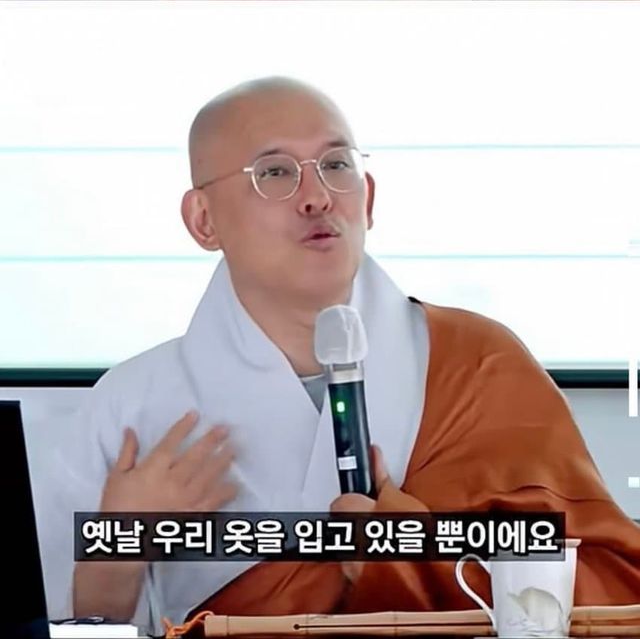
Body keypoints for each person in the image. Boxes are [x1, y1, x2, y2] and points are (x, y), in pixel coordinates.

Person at [38, 76, 640, 638]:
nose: (317, 197)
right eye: (274, 173)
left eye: (335, 165)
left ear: (368, 197)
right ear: (203, 220)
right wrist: (118, 547)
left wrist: (406, 552)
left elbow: (607, 589)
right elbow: (63, 624)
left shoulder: (478, 362)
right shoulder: (133, 405)